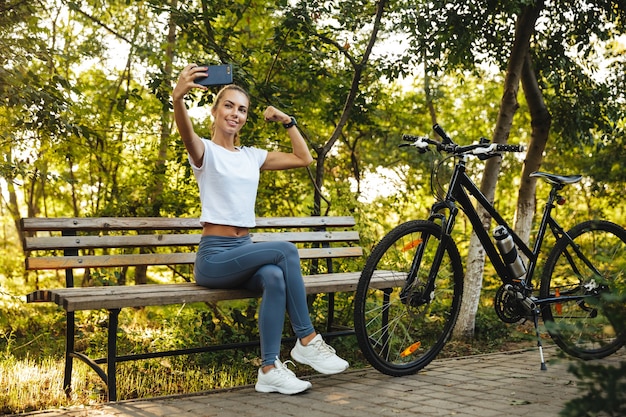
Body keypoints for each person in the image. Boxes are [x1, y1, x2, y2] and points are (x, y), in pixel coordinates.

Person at [172, 64, 349, 395]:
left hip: (244, 251)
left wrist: (287, 121)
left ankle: (269, 368)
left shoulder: (251, 156)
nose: (235, 114)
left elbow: (303, 158)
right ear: (215, 111)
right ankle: (307, 339)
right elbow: (185, 131)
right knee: (285, 250)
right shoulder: (204, 152)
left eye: (242, 109)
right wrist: (178, 98)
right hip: (214, 258)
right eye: (229, 105)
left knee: (274, 276)